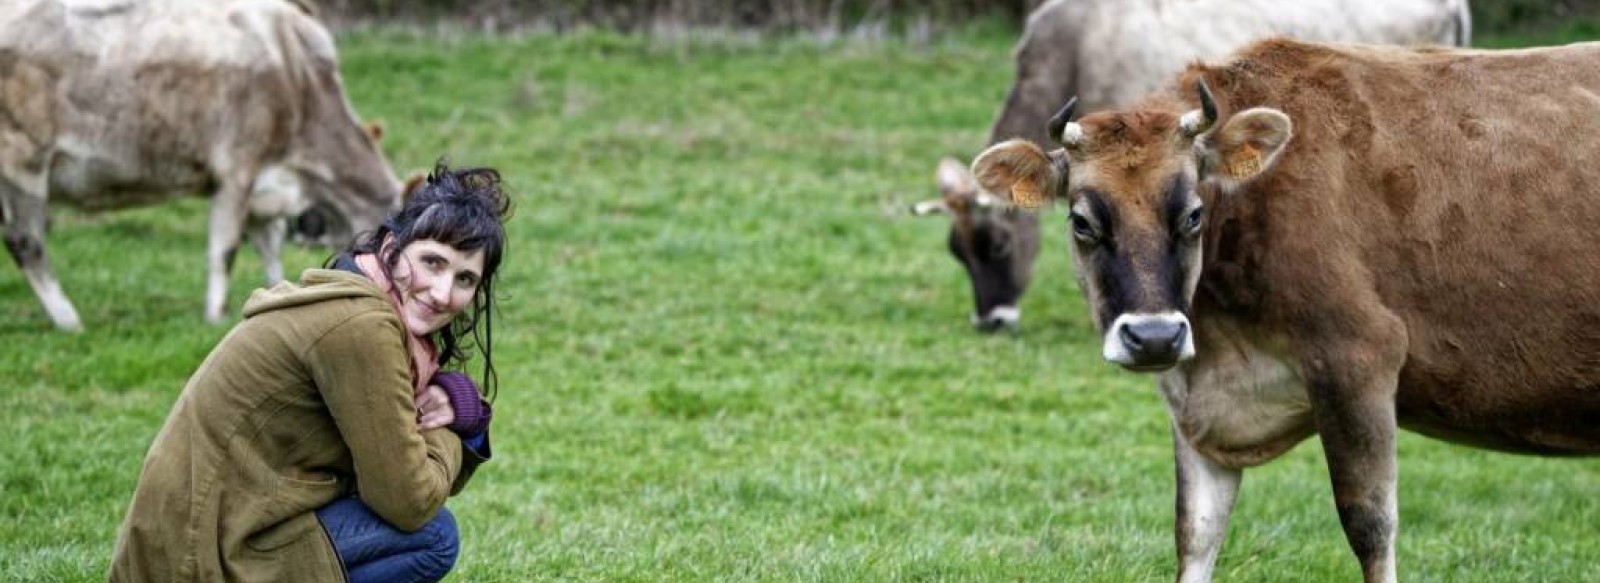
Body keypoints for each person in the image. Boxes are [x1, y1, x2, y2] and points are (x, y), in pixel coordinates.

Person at [108, 163, 511, 583]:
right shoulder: (361, 327)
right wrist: (452, 428)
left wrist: (466, 418)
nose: (444, 293)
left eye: (465, 279)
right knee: (433, 537)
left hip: (210, 532)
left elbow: (393, 471)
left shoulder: (363, 301)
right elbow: (407, 501)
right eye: (432, 262)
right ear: (393, 248)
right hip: (198, 556)